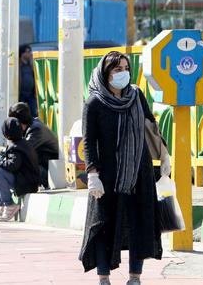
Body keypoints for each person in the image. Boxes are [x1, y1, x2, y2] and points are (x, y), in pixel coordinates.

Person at [78, 51, 170, 285]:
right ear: (105, 73)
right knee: (103, 227)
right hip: (107, 175)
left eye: (126, 68)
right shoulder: (94, 102)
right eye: (117, 69)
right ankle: (104, 278)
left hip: (139, 171)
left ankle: (135, 277)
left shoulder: (136, 95)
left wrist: (165, 155)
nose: (123, 73)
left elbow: (150, 125)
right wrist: (92, 174)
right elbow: (88, 141)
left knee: (139, 222)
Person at [0, 117, 39, 222]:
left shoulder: (17, 147)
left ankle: (9, 204)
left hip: (27, 183)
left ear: (5, 134)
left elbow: (12, 165)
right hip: (24, 179)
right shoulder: (18, 144)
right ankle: (1, 203)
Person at [18, 44, 38, 117]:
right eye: (27, 52)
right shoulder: (18, 66)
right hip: (22, 94)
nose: (30, 53)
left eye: (30, 51)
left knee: (33, 114)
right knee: (21, 113)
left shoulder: (30, 64)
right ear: (22, 53)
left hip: (31, 94)